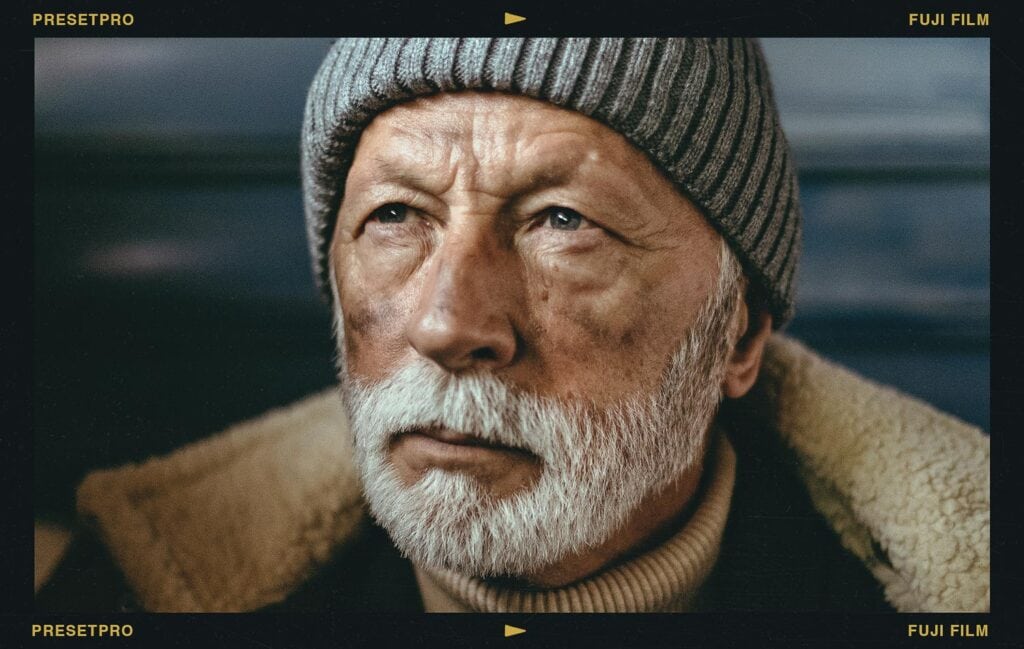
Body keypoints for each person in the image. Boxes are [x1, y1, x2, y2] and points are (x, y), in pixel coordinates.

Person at [36, 37, 989, 613]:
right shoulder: (118, 591)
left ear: (736, 338)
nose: (449, 322)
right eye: (397, 216)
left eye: (563, 223)